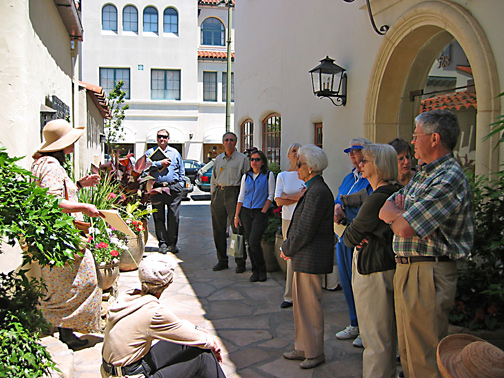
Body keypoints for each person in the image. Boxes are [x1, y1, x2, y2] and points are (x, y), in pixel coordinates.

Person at [379, 109, 474, 378]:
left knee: (425, 360)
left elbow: (405, 226)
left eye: (416, 136)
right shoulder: (424, 175)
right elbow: (386, 208)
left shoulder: (448, 177)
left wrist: (398, 216)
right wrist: (398, 215)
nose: (412, 142)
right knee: (409, 353)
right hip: (410, 269)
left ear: (434, 138)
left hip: (428, 273)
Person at [31, 119, 102, 350]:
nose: (73, 145)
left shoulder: (42, 163)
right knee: (84, 280)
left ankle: (66, 331)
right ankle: (67, 331)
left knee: (65, 284)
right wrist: (83, 208)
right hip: (61, 236)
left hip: (54, 237)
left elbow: (57, 192)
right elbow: (51, 201)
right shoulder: (52, 165)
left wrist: (80, 185)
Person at [101, 254, 226, 378]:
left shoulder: (127, 297)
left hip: (115, 371)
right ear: (167, 284)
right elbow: (203, 340)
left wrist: (197, 330)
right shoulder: (154, 311)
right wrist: (211, 343)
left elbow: (179, 329)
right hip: (131, 375)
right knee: (203, 357)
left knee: (188, 342)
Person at [343, 144, 401, 378]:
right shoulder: (393, 191)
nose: (360, 163)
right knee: (384, 336)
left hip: (373, 269)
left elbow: (350, 236)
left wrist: (347, 230)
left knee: (375, 339)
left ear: (377, 165)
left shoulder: (378, 197)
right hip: (384, 267)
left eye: (365, 160)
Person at [281, 144, 334, 370]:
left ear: (311, 168)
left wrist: (287, 248)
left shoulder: (318, 191)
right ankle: (302, 347)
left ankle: (314, 352)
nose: (297, 166)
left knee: (310, 307)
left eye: (300, 163)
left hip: (310, 259)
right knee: (301, 307)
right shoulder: (312, 189)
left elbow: (305, 229)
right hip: (303, 257)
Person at [333, 137, 372, 348]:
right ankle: (354, 322)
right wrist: (338, 208)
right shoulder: (349, 178)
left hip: (360, 238)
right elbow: (339, 198)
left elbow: (369, 204)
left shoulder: (369, 178)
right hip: (342, 235)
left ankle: (366, 327)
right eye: (350, 151)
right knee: (347, 281)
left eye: (356, 150)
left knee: (361, 284)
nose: (352, 154)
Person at [210, 132, 249, 273]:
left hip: (234, 193)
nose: (229, 142)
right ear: (223, 142)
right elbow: (213, 178)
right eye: (226, 140)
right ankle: (222, 260)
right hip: (219, 193)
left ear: (236, 142)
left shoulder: (242, 159)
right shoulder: (218, 159)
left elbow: (246, 179)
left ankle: (240, 262)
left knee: (237, 230)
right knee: (218, 229)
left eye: (231, 140)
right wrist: (213, 194)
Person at [234, 150, 275, 282]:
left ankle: (262, 269)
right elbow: (241, 196)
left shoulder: (268, 175)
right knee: (250, 244)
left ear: (262, 162)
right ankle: (255, 270)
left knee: (254, 242)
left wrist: (263, 211)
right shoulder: (246, 176)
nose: (254, 162)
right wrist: (236, 215)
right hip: (246, 212)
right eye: (252, 159)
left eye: (257, 159)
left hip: (259, 212)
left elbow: (271, 195)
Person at [274, 143, 305, 308]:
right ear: (288, 155)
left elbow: (308, 196)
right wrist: (299, 196)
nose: (296, 154)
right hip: (288, 219)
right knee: (290, 255)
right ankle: (289, 295)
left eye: (299, 151)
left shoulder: (305, 174)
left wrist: (289, 196)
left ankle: (303, 294)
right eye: (293, 150)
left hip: (304, 218)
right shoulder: (283, 176)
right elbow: (278, 200)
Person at [146, 129, 186, 254]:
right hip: (157, 188)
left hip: (173, 188)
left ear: (168, 139)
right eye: (159, 136)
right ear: (157, 138)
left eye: (164, 137)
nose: (162, 139)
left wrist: (181, 184)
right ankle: (162, 243)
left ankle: (172, 244)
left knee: (173, 216)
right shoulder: (150, 152)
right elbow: (145, 167)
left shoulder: (174, 152)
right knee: (158, 217)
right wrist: (159, 163)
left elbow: (181, 169)